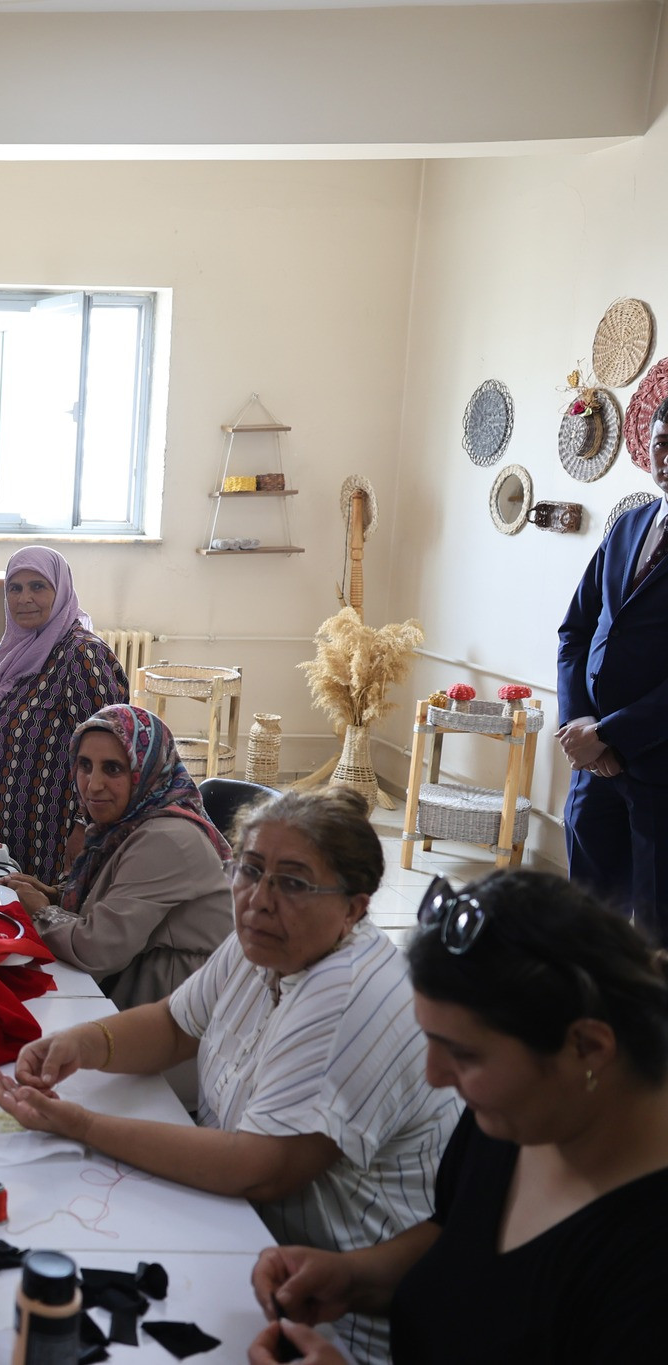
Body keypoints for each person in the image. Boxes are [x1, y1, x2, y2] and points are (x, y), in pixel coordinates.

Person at [0, 788, 458, 1365]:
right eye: (249, 871)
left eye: (294, 882)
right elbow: (175, 1024)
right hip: (248, 1245)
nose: (259, 899)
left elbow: (259, 1169)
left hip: (328, 1319)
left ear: (354, 908)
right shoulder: (264, 941)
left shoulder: (348, 993)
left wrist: (80, 1123)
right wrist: (80, 1042)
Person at [246, 871, 668, 1365]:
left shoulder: (648, 1262)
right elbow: (456, 1238)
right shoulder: (523, 1114)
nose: (435, 1075)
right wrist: (353, 1277)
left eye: (463, 1055)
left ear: (587, 1046)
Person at [0, 704, 233, 1009]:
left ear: (145, 770)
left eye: (113, 768)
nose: (93, 785)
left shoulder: (166, 839)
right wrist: (57, 897)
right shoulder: (127, 823)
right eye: (84, 765)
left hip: (178, 1012)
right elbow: (121, 899)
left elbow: (98, 950)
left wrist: (42, 912)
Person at [556, 407, 668, 941]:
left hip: (657, 770)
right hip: (591, 768)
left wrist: (611, 735)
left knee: (652, 936)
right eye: (663, 442)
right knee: (586, 920)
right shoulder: (629, 524)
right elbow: (575, 632)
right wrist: (581, 727)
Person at [0, 547, 129, 882]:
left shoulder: (81, 655)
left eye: (38, 586)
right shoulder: (13, 652)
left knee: (46, 925)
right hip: (8, 831)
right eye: (15, 588)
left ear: (61, 590)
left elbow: (114, 752)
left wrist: (86, 829)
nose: (24, 598)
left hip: (54, 837)